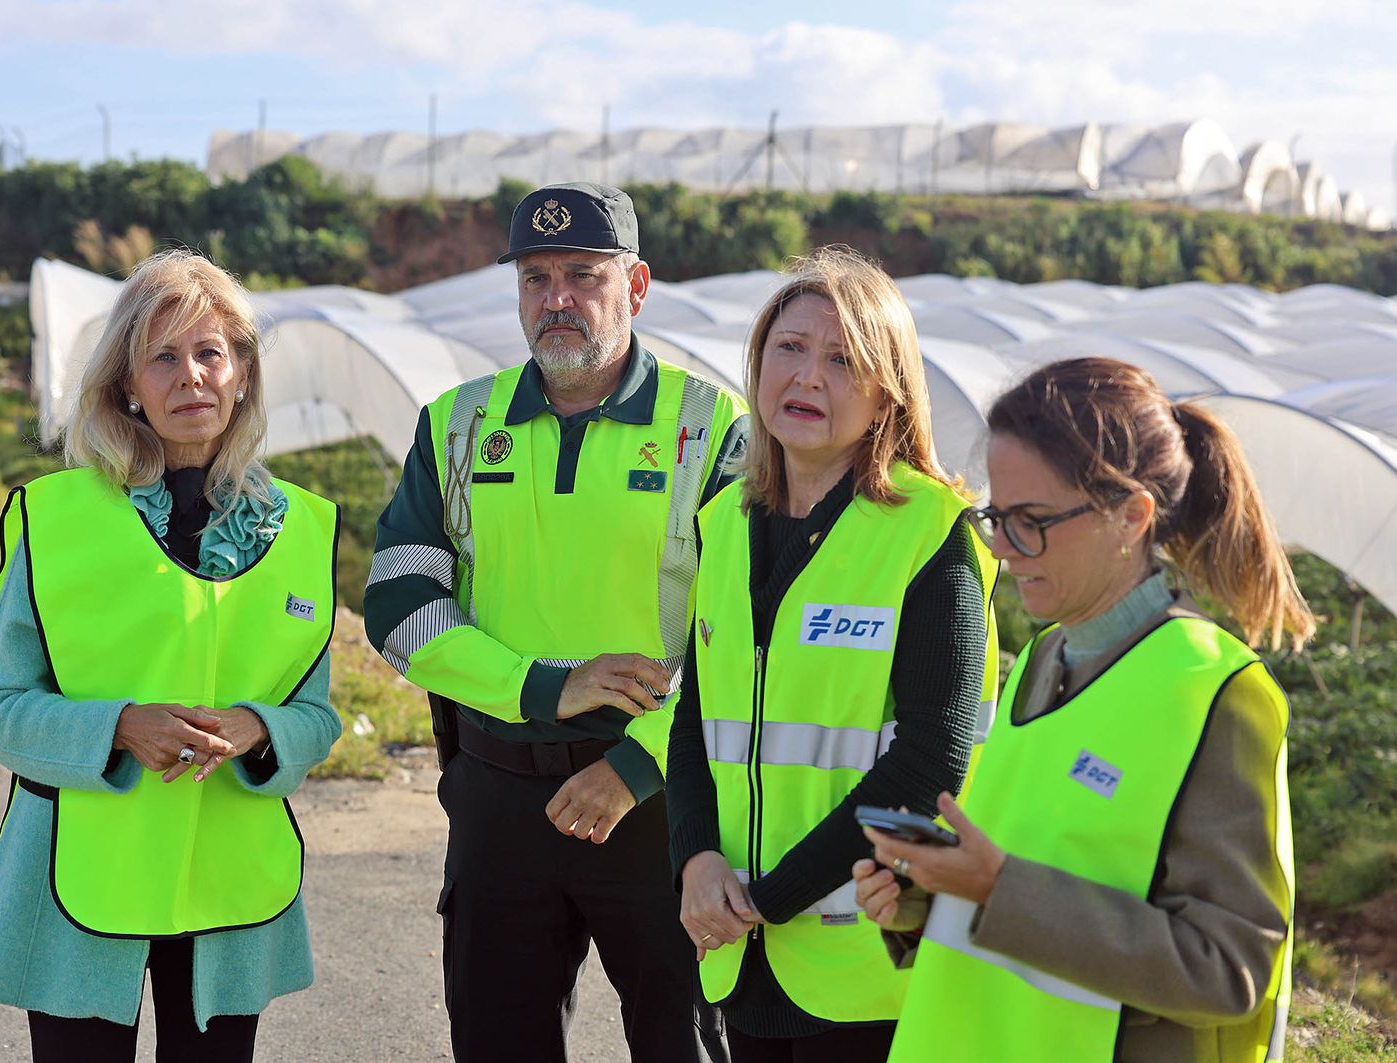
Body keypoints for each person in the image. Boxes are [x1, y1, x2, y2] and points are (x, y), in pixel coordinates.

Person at [363, 182, 746, 1062]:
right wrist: (543, 687)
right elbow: (399, 604)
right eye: (536, 278)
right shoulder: (457, 426)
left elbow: (741, 630)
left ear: (636, 286)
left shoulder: (710, 428)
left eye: (583, 274)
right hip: (499, 798)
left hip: (658, 802)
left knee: (685, 1046)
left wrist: (639, 765)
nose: (557, 300)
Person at [853, 356, 1310, 1062]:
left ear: (1131, 517)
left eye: (1032, 521)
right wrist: (925, 897)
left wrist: (997, 887)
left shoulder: (1216, 691)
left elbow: (1228, 969)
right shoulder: (1042, 659)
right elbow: (1039, 886)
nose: (1002, 548)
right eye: (997, 517)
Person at [0, 250, 342, 1063]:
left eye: (211, 352)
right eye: (163, 356)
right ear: (127, 383)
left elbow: (317, 716)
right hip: (81, 871)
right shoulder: (55, 517)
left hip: (229, 879)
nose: (192, 376)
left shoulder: (304, 530)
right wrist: (118, 727)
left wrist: (257, 728)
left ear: (242, 372)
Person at [665, 246, 999, 1062]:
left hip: (864, 970)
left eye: (844, 359)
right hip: (745, 955)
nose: (809, 377)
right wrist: (695, 858)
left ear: (889, 388)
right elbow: (697, 720)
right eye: (790, 348)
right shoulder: (725, 524)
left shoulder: (931, 536)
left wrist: (769, 896)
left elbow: (932, 760)